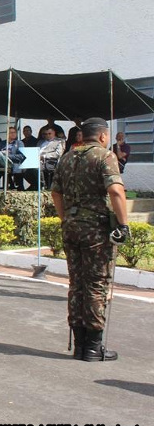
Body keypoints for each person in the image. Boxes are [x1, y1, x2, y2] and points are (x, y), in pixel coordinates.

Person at [51, 117, 129, 362]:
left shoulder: (67, 157)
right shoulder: (105, 156)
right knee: (96, 283)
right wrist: (123, 224)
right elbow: (116, 190)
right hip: (95, 228)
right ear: (103, 136)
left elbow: (55, 192)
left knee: (77, 283)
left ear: (82, 136)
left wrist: (66, 218)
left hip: (71, 227)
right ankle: (94, 347)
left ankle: (80, 344)